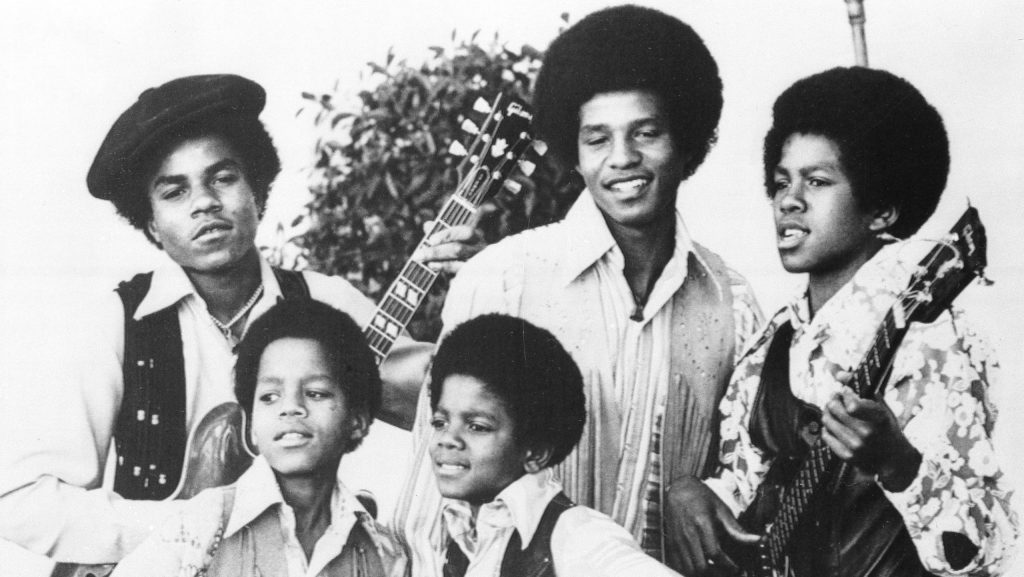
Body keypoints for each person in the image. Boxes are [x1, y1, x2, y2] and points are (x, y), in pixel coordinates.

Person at [0, 74, 480, 569]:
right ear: (151, 224)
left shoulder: (324, 302)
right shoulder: (118, 323)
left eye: (223, 178)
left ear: (257, 190)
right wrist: (185, 532)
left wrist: (479, 286)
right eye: (174, 192)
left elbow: (447, 400)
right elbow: (19, 499)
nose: (204, 202)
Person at [395, 4, 762, 570]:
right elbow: (427, 507)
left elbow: (751, 474)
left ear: (686, 142)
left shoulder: (731, 303)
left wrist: (706, 488)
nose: (623, 159)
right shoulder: (503, 278)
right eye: (597, 139)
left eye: (646, 133)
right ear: (576, 152)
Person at [667, 67, 1019, 577]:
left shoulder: (930, 334)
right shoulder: (773, 343)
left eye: (817, 181)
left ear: (881, 211)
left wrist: (897, 463)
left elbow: (988, 545)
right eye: (781, 181)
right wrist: (690, 493)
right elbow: (744, 492)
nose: (788, 199)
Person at [112, 299, 407, 577]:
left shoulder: (382, 551)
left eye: (316, 393)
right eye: (269, 396)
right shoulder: (202, 524)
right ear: (251, 424)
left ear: (357, 420)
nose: (291, 407)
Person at [423, 313, 681, 577]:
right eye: (440, 422)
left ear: (535, 453)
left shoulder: (578, 535)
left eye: (477, 427)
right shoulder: (464, 533)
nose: (448, 438)